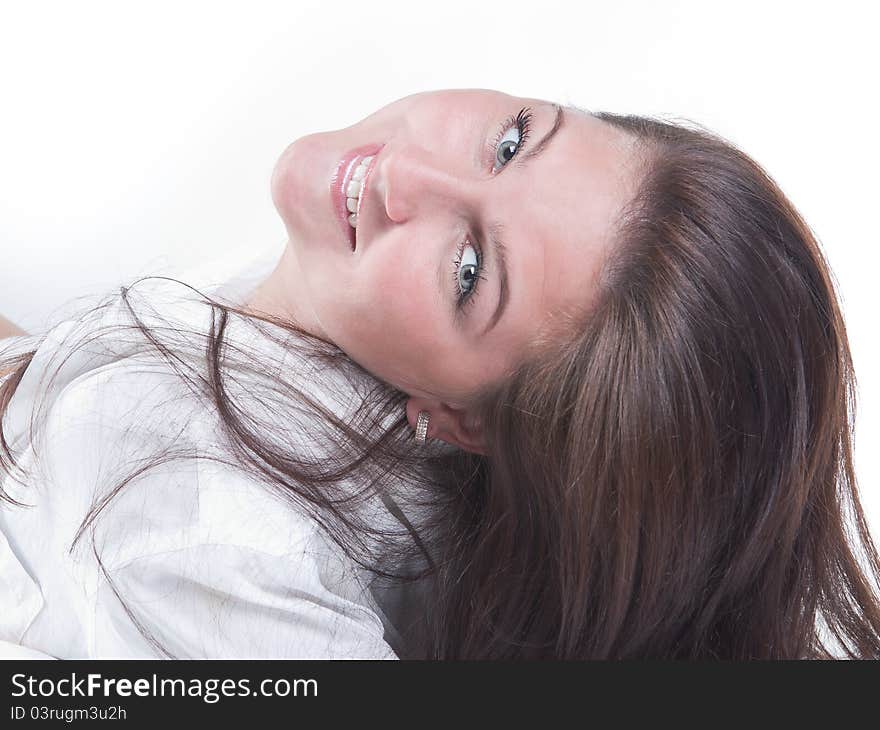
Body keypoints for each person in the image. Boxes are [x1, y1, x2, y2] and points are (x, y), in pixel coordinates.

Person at [1, 88, 879, 659]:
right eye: (508, 142)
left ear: (471, 423)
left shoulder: (213, 526)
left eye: (467, 270)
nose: (405, 172)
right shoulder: (336, 333)